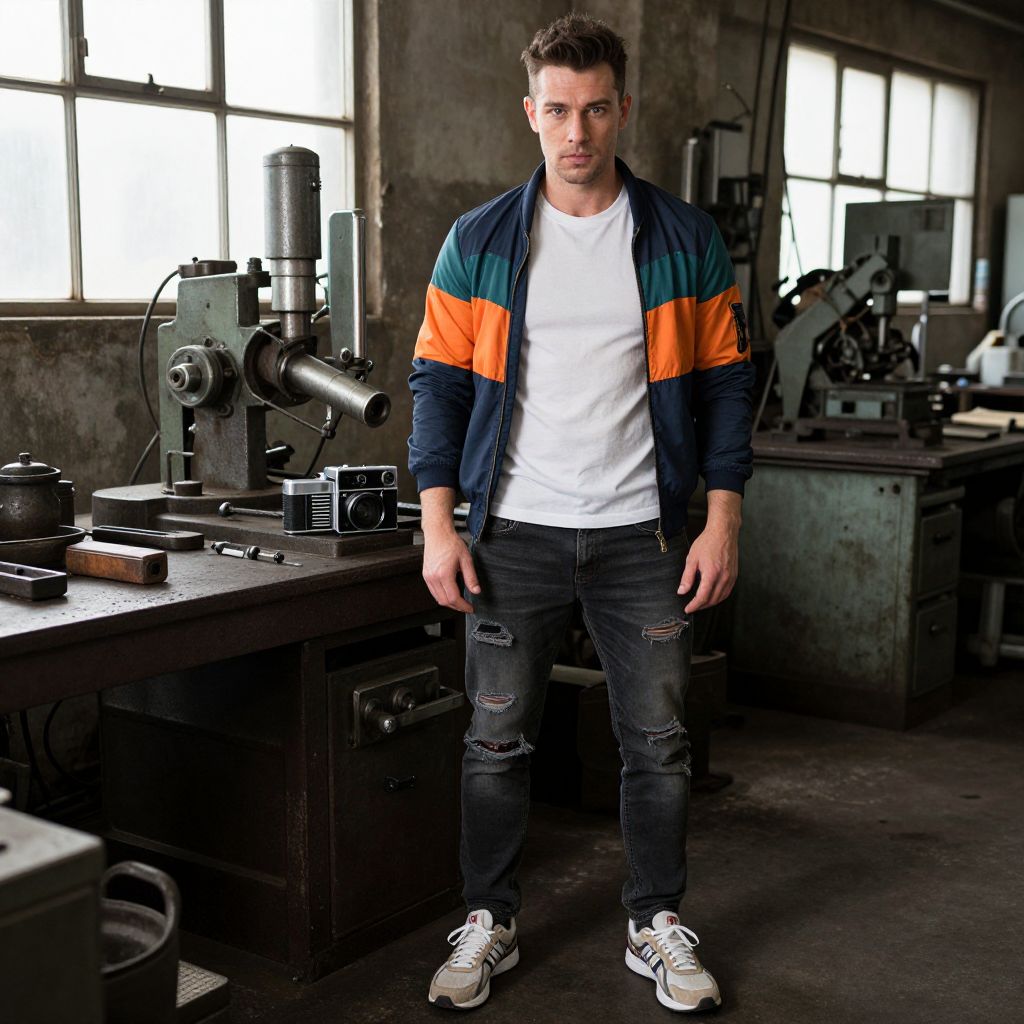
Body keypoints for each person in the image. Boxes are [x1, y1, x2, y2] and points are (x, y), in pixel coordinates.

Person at [407, 12, 754, 1014]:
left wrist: (721, 517)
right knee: (494, 740)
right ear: (530, 112)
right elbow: (437, 385)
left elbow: (728, 385)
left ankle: (654, 921)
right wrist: (439, 522)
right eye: (557, 109)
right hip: (511, 534)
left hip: (642, 536)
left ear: (622, 109)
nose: (577, 130)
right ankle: (488, 917)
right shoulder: (477, 243)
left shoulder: (683, 240)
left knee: (656, 743)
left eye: (596, 107)